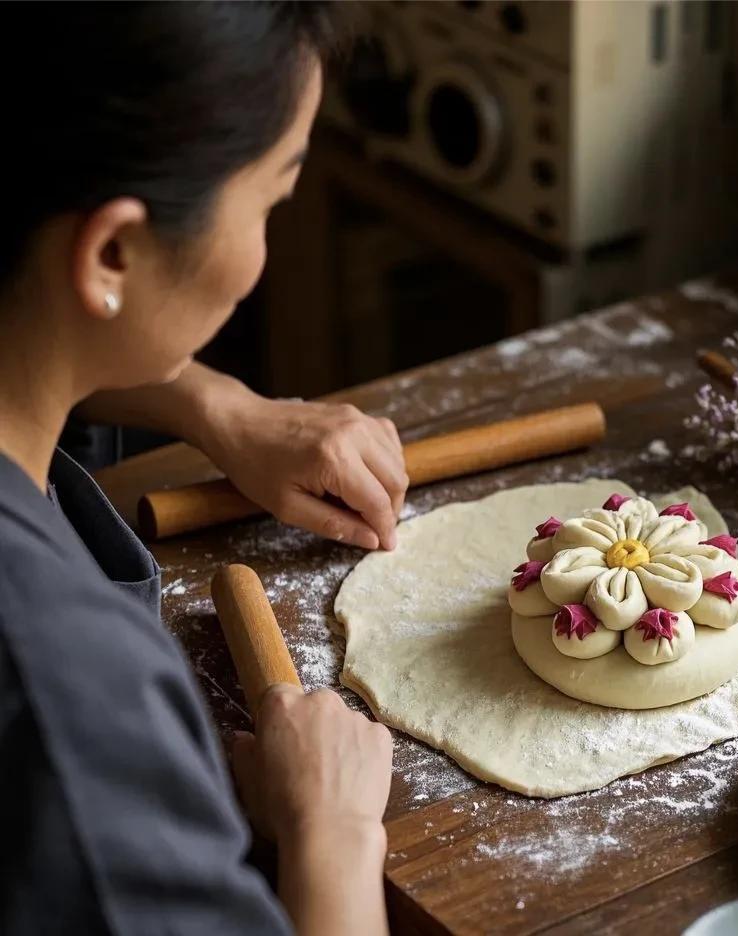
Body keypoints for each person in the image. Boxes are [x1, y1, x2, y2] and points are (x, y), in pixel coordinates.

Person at [0, 4, 406, 934]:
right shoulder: (67, 696)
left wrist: (212, 402)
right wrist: (332, 829)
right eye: (269, 200)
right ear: (112, 253)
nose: (263, 244)